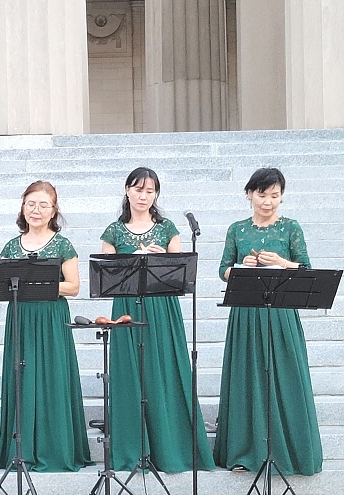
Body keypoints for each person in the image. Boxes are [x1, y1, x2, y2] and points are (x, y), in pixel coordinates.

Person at [100, 167, 214, 473]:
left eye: (150, 191)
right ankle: (132, 449)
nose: (143, 196)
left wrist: (159, 256)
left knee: (162, 369)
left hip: (161, 307)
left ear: (156, 195)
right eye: (138, 189)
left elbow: (179, 277)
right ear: (127, 190)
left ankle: (170, 448)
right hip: (126, 305)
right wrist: (133, 258)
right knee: (129, 373)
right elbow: (106, 273)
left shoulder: (167, 229)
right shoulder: (113, 231)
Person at [214, 168, 322, 475]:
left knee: (285, 375)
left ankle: (291, 451)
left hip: (282, 313)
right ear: (249, 194)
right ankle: (245, 451)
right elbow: (223, 269)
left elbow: (307, 269)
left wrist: (282, 263)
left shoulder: (291, 228)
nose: (268, 202)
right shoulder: (237, 229)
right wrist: (239, 267)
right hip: (247, 313)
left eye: (275, 196)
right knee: (247, 376)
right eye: (262, 195)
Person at [0, 181, 93, 472]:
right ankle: (21, 450)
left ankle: (56, 449)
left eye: (43, 205)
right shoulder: (12, 245)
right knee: (21, 377)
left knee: (52, 377)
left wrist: (39, 283)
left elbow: (73, 286)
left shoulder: (62, 244)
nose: (36, 210)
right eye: (31, 204)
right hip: (21, 317)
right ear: (23, 207)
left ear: (53, 210)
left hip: (50, 316)